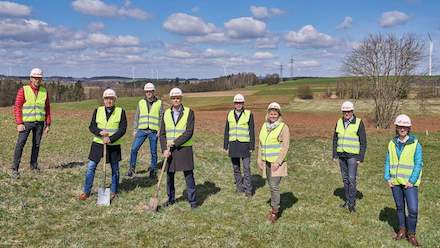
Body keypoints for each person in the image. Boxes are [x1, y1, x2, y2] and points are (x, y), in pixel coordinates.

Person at [79, 89, 127, 201]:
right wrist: (100, 132)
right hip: (98, 143)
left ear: (114, 100)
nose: (108, 101)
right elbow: (92, 126)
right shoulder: (98, 110)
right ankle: (86, 191)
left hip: (113, 144)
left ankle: (113, 191)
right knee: (91, 167)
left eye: (111, 99)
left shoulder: (121, 111)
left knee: (115, 169)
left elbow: (122, 129)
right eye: (106, 99)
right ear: (103, 100)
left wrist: (110, 139)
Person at [384, 114, 423, 247]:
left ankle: (411, 234)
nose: (402, 128)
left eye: (405, 126)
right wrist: (387, 177)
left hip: (409, 184)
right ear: (397, 127)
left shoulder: (415, 144)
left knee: (412, 209)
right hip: (395, 182)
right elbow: (388, 161)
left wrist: (411, 181)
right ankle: (402, 230)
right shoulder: (392, 143)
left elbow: (418, 164)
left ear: (408, 128)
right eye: (400, 126)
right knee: (400, 207)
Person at [160, 87, 197, 209]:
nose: (176, 100)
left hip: (184, 149)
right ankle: (170, 199)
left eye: (178, 98)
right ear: (171, 100)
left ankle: (193, 201)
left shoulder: (189, 112)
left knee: (188, 175)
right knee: (169, 176)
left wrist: (175, 143)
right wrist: (164, 149)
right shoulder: (165, 113)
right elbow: (162, 134)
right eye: (174, 98)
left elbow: (189, 132)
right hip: (170, 150)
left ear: (181, 99)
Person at [11, 68, 51, 179]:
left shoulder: (44, 91)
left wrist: (48, 124)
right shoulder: (23, 90)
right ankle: (14, 169)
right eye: (35, 78)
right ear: (31, 78)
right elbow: (17, 107)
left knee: (36, 145)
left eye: (39, 78)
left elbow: (47, 108)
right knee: (20, 144)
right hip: (26, 123)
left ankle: (33, 166)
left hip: (39, 123)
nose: (37, 80)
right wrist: (19, 123)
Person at [257, 102, 290, 223]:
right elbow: (261, 144)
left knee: (274, 186)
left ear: (279, 114)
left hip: (277, 163)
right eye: (271, 113)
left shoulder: (283, 127)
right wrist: (259, 159)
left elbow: (285, 146)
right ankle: (273, 208)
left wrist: (278, 162)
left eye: (275, 113)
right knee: (271, 186)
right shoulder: (264, 126)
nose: (273, 115)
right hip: (267, 162)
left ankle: (275, 212)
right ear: (268, 114)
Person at [332, 101, 367, 213]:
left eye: (349, 111)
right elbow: (335, 139)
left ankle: (351, 204)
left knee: (352, 179)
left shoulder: (359, 123)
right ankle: (347, 201)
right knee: (345, 179)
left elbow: (363, 141)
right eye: (345, 111)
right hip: (341, 154)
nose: (347, 113)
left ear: (352, 111)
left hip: (353, 156)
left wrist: (360, 157)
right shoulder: (339, 122)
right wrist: (334, 153)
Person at [127, 82, 163, 179]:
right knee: (134, 149)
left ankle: (153, 170)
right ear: (145, 92)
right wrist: (135, 129)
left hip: (153, 131)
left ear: (153, 91)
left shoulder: (159, 103)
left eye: (150, 91)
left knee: (153, 152)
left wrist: (160, 129)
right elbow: (136, 116)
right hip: (141, 130)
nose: (148, 93)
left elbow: (161, 117)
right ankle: (132, 168)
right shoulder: (141, 102)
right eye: (147, 91)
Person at [224, 94, 255, 197]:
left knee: (246, 168)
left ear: (243, 103)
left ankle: (248, 190)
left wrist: (251, 146)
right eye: (236, 103)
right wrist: (225, 145)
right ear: (234, 104)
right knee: (236, 168)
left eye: (240, 103)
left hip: (245, 145)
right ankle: (239, 188)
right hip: (233, 145)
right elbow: (226, 130)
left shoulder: (249, 114)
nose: (238, 104)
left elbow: (252, 131)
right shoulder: (229, 114)